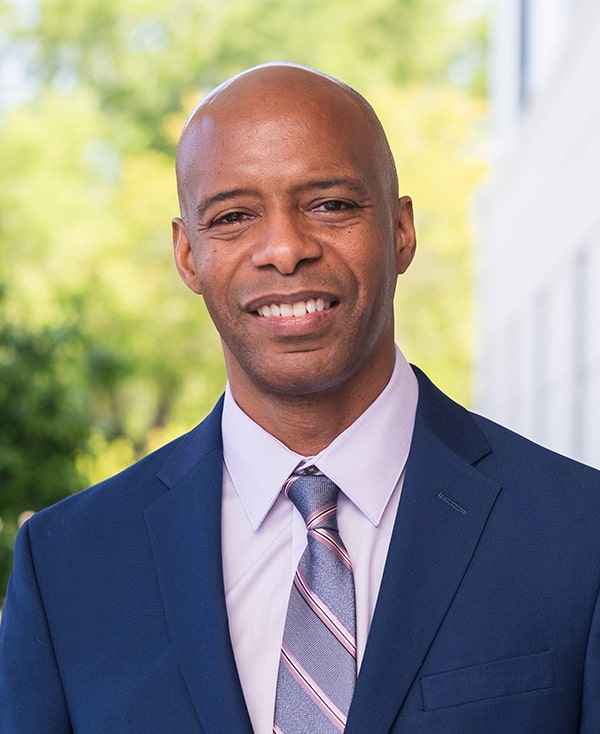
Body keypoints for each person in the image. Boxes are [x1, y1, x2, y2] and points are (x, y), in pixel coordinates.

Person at [1, 63, 599, 734]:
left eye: (331, 205)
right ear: (187, 255)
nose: (284, 249)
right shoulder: (67, 568)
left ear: (401, 231)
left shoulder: (581, 534)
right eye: (233, 216)